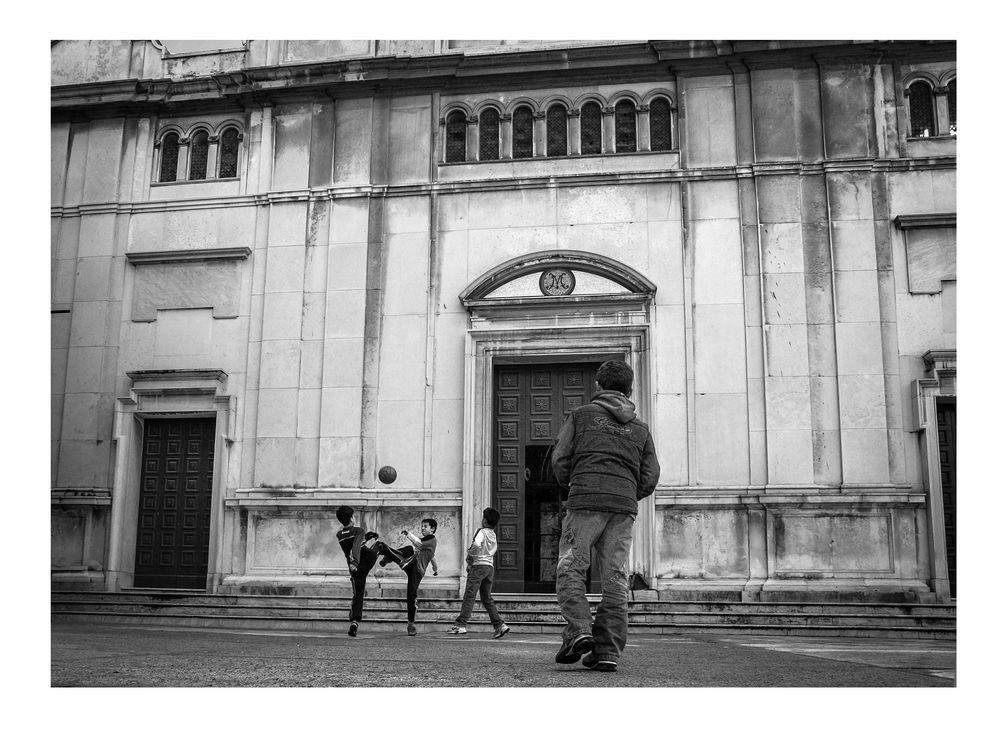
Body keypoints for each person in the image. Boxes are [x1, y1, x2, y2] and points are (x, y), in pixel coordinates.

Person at [550, 360, 660, 672]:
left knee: (571, 567)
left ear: (599, 387)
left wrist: (575, 484)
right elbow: (651, 475)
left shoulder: (581, 415)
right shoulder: (640, 429)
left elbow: (560, 458)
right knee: (614, 577)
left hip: (585, 500)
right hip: (623, 508)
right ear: (630, 390)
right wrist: (627, 492)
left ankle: (579, 631)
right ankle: (607, 651)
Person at [447, 507, 511, 639]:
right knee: (486, 598)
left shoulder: (481, 531)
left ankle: (460, 624)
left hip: (478, 566)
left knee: (469, 595)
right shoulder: (493, 534)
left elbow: (476, 545)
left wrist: (470, 555)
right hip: (489, 568)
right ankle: (499, 625)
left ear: (485, 521)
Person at [377, 518, 439, 636]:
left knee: (411, 595)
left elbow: (420, 544)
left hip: (417, 571)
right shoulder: (427, 545)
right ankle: (387, 553)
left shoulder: (432, 540)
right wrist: (436, 569)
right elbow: (433, 559)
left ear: (433, 529)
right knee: (409, 549)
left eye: (425, 526)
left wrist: (408, 534)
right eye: (422, 526)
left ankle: (411, 624)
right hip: (411, 564)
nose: (422, 528)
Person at [335, 506, 380, 637]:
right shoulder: (359, 530)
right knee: (380, 546)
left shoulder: (339, 535)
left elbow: (353, 543)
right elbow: (356, 547)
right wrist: (355, 561)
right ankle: (399, 559)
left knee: (358, 595)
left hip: (354, 570)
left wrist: (367, 537)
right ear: (351, 518)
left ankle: (354, 622)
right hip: (364, 561)